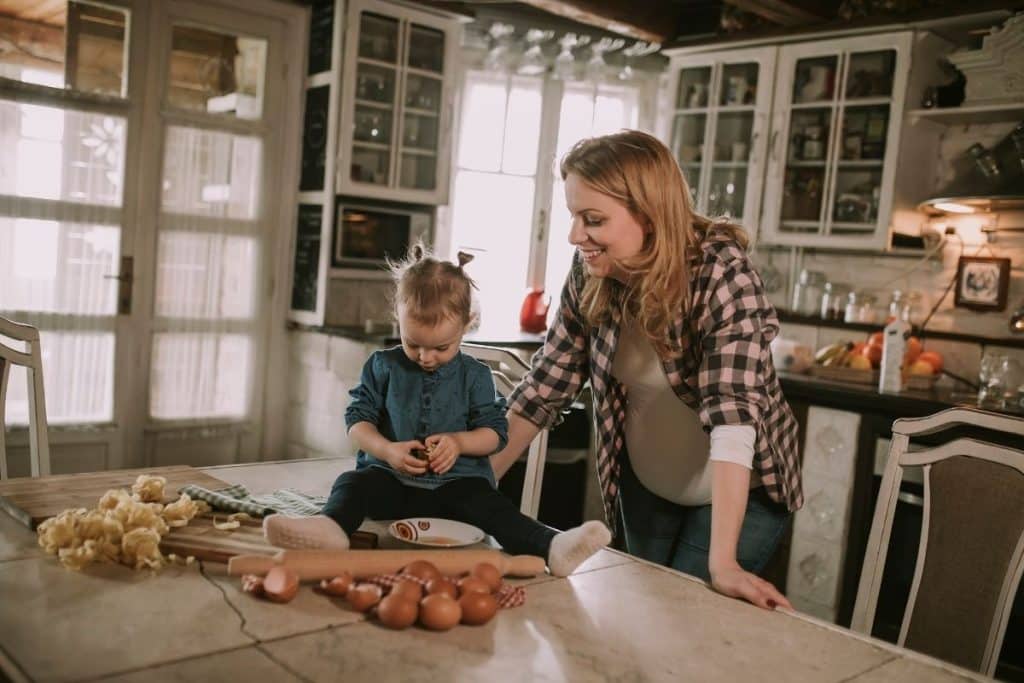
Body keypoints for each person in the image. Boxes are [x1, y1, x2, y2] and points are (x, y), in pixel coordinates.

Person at [490, 130, 802, 609]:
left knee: (682, 624)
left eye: (593, 219)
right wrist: (468, 489)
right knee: (639, 618)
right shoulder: (590, 272)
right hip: (646, 486)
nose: (576, 236)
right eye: (574, 216)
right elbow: (541, 392)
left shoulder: (720, 273)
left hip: (737, 495)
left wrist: (724, 563)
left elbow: (732, 418)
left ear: (649, 215)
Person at [264, 246, 610, 576]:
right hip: (390, 486)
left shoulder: (475, 376)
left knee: (492, 506)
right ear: (397, 317)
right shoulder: (382, 366)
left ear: (467, 324)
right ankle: (330, 530)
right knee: (352, 483)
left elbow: (495, 434)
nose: (425, 357)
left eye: (441, 347)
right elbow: (357, 422)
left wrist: (459, 443)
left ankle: (552, 547)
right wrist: (387, 450)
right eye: (412, 343)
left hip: (455, 494)